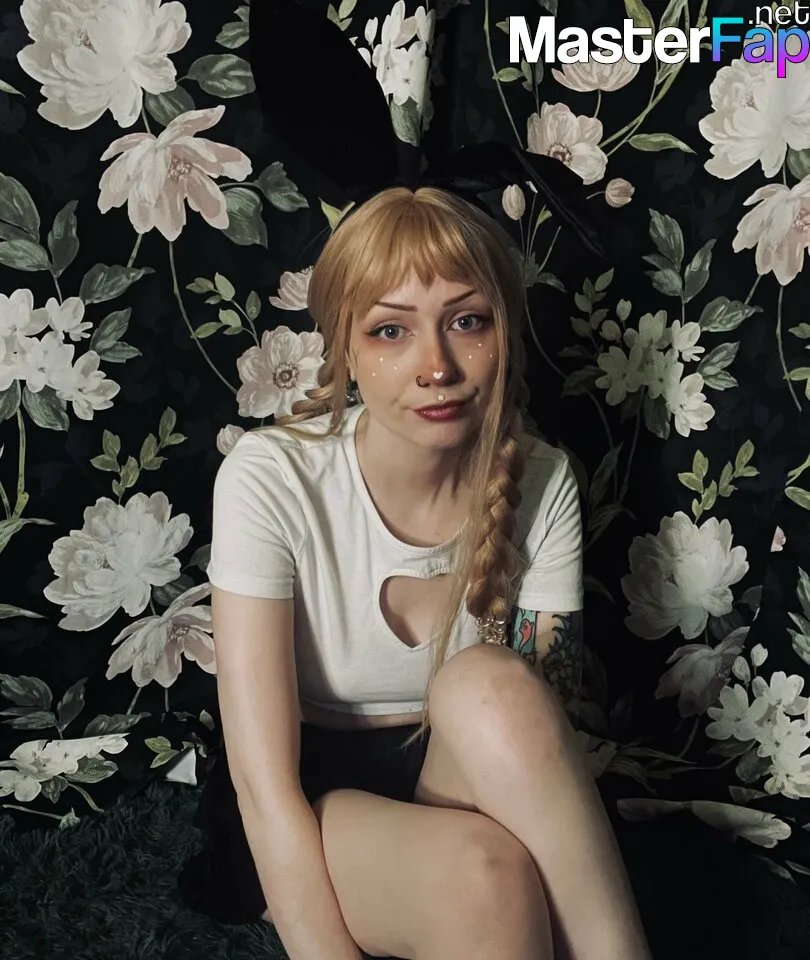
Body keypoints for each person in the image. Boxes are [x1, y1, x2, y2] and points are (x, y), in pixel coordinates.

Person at [178, 186, 653, 960]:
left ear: (506, 331)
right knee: (488, 880)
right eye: (391, 330)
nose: (436, 366)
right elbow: (266, 790)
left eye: (467, 321)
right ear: (345, 347)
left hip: (463, 772)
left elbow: (540, 731)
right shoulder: (271, 478)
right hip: (309, 796)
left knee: (488, 683)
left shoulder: (544, 479)